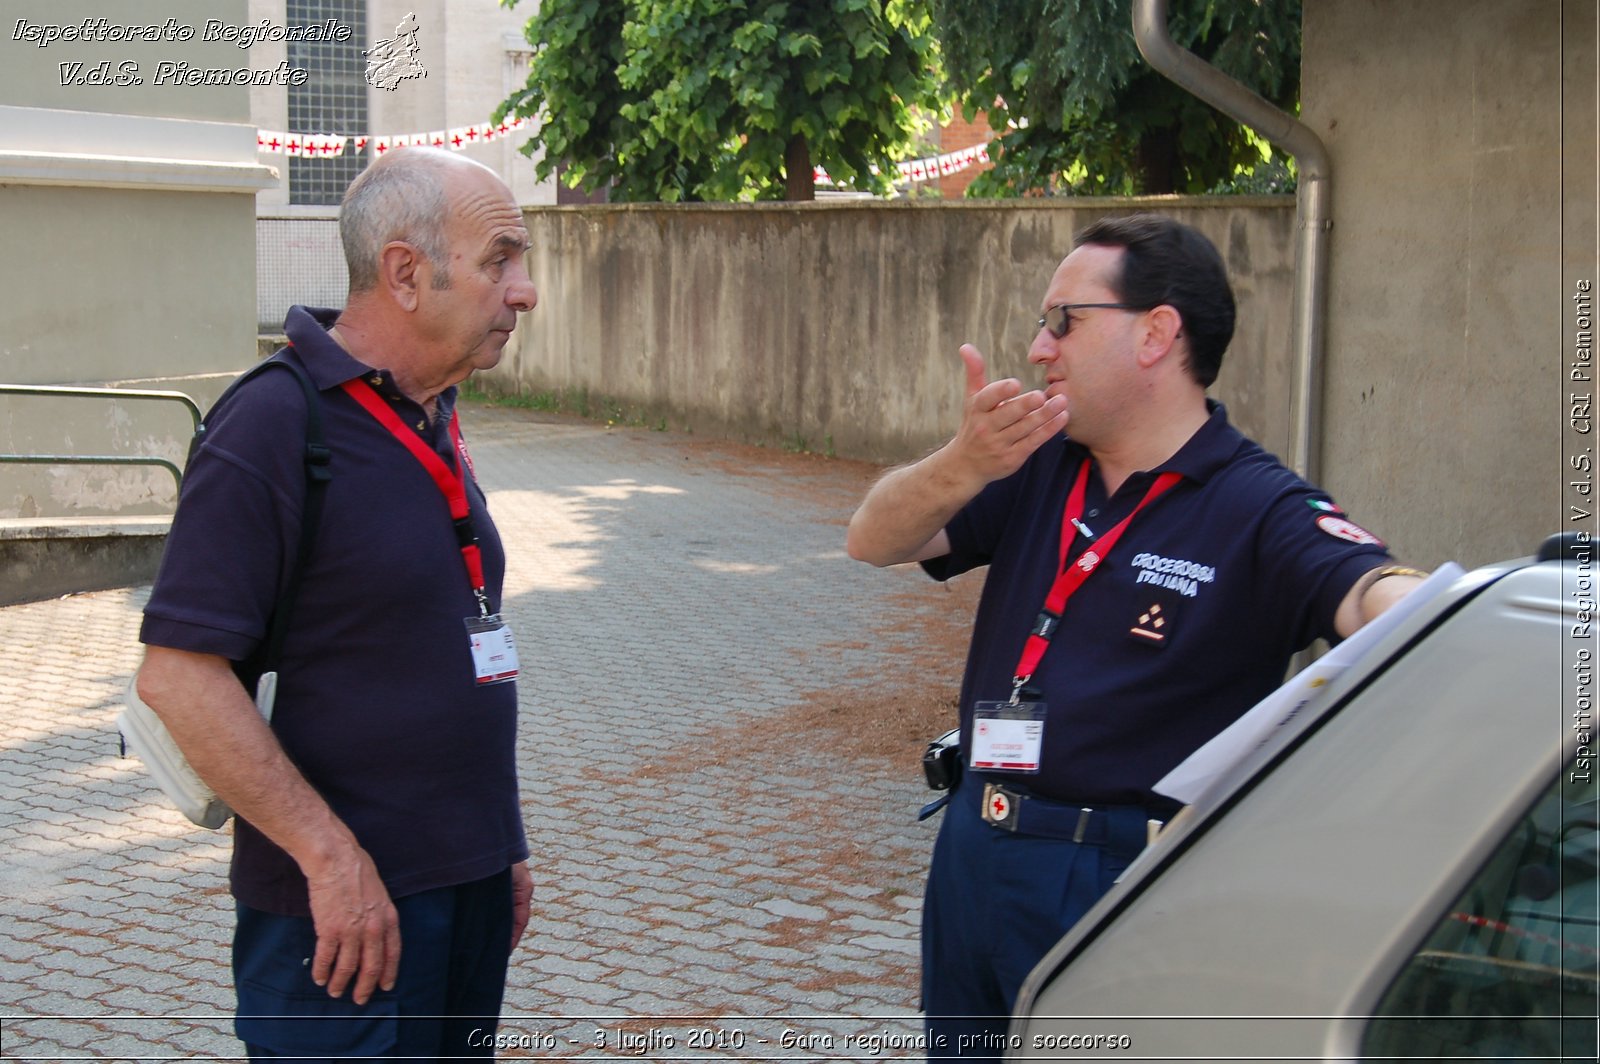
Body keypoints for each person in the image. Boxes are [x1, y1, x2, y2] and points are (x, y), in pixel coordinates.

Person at [846, 214, 1426, 1061]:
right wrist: (962, 463)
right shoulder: (1036, 460)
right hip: (976, 844)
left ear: (1158, 333)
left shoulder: (1254, 504)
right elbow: (872, 539)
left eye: (1063, 322)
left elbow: (1368, 587)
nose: (1041, 349)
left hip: (1115, 877)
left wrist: (1432, 600)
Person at [135, 146, 538, 1060]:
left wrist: (497, 846)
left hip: (462, 891)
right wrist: (328, 856)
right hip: (345, 921)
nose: (525, 291)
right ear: (404, 272)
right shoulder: (274, 424)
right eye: (500, 260)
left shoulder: (431, 413)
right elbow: (179, 676)